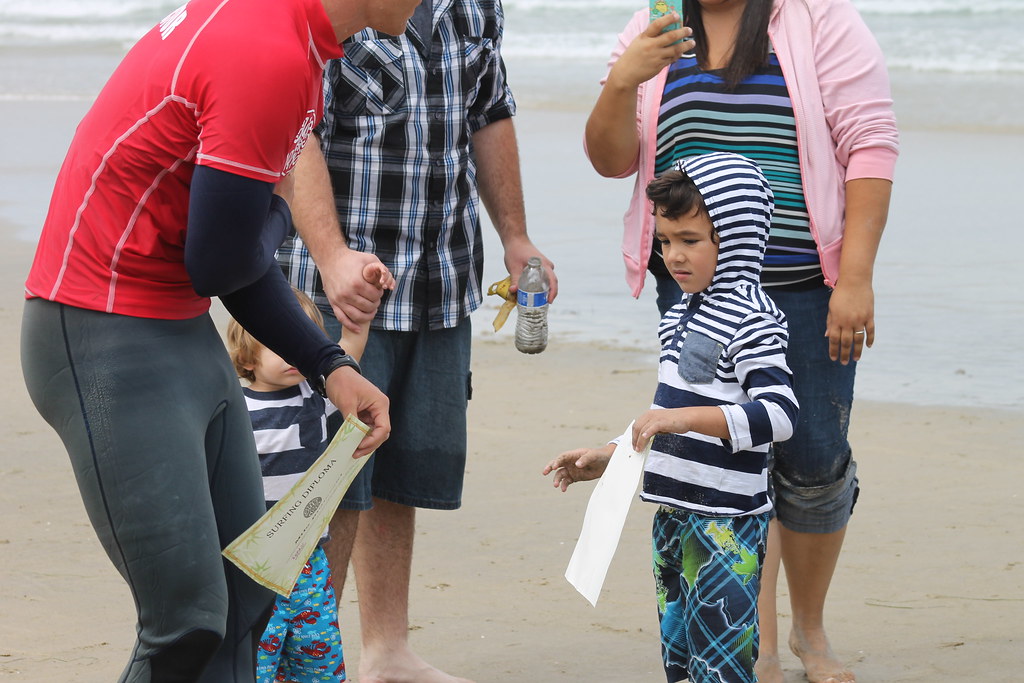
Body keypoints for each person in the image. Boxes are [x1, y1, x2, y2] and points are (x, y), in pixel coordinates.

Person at [17, 0, 416, 678]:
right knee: (187, 622)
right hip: (97, 332)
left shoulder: (299, 44)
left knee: (246, 597)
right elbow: (221, 260)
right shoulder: (265, 51)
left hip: (175, 325)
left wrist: (330, 366)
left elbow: (229, 255)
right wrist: (283, 213)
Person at [583, 1, 898, 680]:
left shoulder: (818, 18)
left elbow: (869, 141)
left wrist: (857, 277)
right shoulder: (655, 24)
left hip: (810, 285)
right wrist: (621, 82)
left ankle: (810, 629)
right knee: (721, 455)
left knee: (813, 458)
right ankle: (756, 640)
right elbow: (613, 161)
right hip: (694, 289)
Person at [275, 1, 559, 679]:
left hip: (440, 277)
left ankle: (385, 649)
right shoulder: (341, 6)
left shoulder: (477, 6)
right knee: (333, 477)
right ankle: (309, 662)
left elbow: (490, 109)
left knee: (403, 466)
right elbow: (293, 130)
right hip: (338, 287)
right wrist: (333, 253)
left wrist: (514, 235)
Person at [544, 152, 799, 683]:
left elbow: (778, 416)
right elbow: (666, 410)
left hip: (727, 524)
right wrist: (610, 457)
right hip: (673, 518)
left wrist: (684, 421)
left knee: (723, 666)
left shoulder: (754, 319)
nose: (673, 256)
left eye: (690, 240)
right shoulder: (679, 314)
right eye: (664, 242)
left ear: (737, 235)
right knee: (679, 661)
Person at [228, 283, 391, 683]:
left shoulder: (315, 397)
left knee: (317, 660)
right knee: (255, 664)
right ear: (247, 356)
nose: (291, 353)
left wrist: (361, 313)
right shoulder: (234, 407)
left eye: (299, 341)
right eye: (275, 343)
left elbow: (348, 351)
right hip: (253, 563)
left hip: (308, 560)